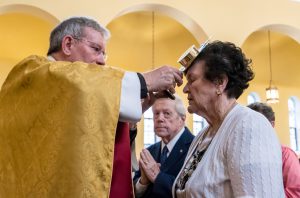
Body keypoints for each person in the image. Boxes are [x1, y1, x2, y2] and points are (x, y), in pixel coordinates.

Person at [0, 16, 183, 198]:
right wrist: (145, 81)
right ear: (68, 44)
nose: (102, 61)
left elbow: (88, 143)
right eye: (96, 49)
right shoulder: (32, 71)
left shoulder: (71, 95)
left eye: (104, 54)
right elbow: (76, 82)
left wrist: (132, 110)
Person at [173, 41, 284, 197]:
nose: (185, 89)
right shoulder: (203, 135)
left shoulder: (249, 126)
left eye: (192, 80)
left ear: (220, 83)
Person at [133, 94, 194, 198]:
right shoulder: (149, 151)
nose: (160, 118)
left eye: (167, 113)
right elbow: (135, 191)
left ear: (182, 119)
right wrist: (143, 182)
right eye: (156, 113)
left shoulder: (195, 147)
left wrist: (158, 177)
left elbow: (193, 192)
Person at [248, 102, 300, 198]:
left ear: (271, 125)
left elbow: (295, 191)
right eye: (249, 123)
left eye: (257, 123)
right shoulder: (245, 155)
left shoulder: (285, 155)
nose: (251, 128)